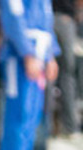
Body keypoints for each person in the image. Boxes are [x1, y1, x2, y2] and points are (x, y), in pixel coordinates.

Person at [0, 0, 60, 150]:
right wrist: (27, 53)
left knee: (33, 110)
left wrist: (50, 56)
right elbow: (13, 20)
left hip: (40, 51)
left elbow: (47, 23)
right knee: (18, 109)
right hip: (18, 55)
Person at [48, 0, 79, 136]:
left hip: (45, 19)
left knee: (47, 77)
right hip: (63, 19)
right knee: (67, 76)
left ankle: (44, 129)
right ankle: (70, 127)